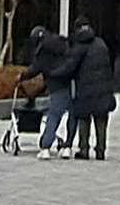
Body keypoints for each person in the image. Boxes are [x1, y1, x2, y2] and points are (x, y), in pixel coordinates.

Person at [25, 25, 79, 157]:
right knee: (73, 116)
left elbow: (35, 69)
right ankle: (67, 146)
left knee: (54, 115)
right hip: (72, 84)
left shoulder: (42, 51)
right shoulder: (63, 43)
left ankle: (46, 147)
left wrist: (22, 76)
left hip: (56, 86)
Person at [70, 23, 118, 161]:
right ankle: (100, 150)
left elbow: (71, 66)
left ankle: (84, 149)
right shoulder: (101, 44)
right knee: (101, 118)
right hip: (103, 87)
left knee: (84, 118)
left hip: (85, 88)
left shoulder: (79, 46)